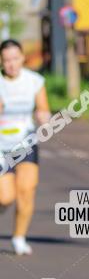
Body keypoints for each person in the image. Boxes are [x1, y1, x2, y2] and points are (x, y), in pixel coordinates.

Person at [0, 39, 50, 255]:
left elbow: (43, 109)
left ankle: (19, 238)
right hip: (1, 146)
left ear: (22, 58)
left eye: (15, 58)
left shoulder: (34, 81)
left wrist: (43, 117)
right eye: (6, 60)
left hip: (25, 142)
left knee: (27, 190)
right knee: (6, 197)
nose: (11, 64)